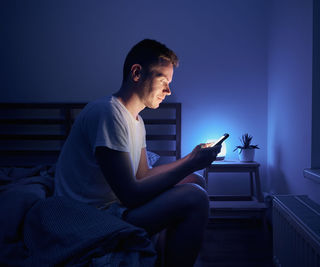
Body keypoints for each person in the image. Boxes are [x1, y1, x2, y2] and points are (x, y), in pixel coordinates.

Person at [54, 39, 221, 267]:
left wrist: (191, 159)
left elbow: (142, 174)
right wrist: (191, 162)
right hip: (93, 217)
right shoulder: (107, 113)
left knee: (195, 180)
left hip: (115, 208)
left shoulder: (136, 120)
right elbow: (130, 195)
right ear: (136, 73)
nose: (169, 91)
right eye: (163, 80)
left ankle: (171, 249)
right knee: (195, 197)